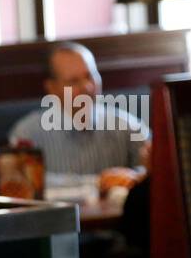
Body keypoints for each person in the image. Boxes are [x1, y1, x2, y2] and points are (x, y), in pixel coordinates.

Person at [8, 41, 151, 179]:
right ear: (52, 88)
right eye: (74, 81)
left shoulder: (129, 127)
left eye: (90, 76)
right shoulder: (27, 135)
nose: (87, 87)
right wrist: (97, 183)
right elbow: (20, 187)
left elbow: (153, 173)